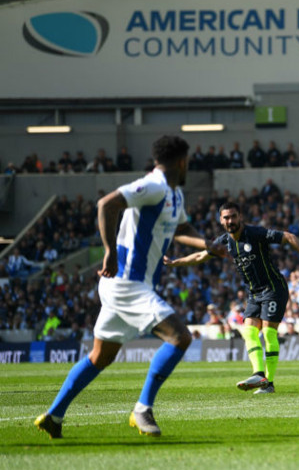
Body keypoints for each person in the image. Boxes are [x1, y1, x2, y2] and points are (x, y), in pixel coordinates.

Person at [34, 135, 213, 439]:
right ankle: (142, 409)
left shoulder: (174, 195)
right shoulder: (153, 186)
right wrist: (108, 249)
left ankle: (54, 415)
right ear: (182, 161)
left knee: (100, 356)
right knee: (179, 337)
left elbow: (182, 228)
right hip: (127, 282)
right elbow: (107, 203)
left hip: (131, 286)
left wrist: (209, 245)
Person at [165, 202, 299, 394]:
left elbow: (289, 236)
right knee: (248, 332)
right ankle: (260, 375)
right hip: (254, 293)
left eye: (233, 216)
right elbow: (200, 256)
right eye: (226, 218)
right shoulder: (224, 242)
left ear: (240, 217)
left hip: (274, 288)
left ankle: (268, 382)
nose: (230, 221)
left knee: (269, 332)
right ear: (221, 221)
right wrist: (175, 263)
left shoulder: (255, 233)